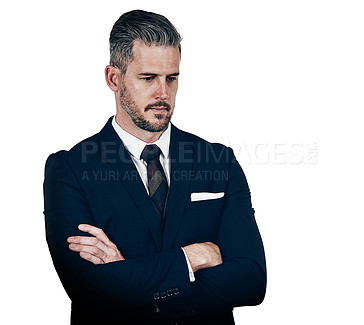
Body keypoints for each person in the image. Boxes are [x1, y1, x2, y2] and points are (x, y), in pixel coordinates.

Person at [43, 9, 266, 325]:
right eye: (148, 78)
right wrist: (190, 260)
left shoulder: (220, 161)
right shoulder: (69, 169)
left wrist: (129, 277)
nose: (163, 93)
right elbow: (87, 287)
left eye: (171, 78)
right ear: (114, 78)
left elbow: (252, 280)